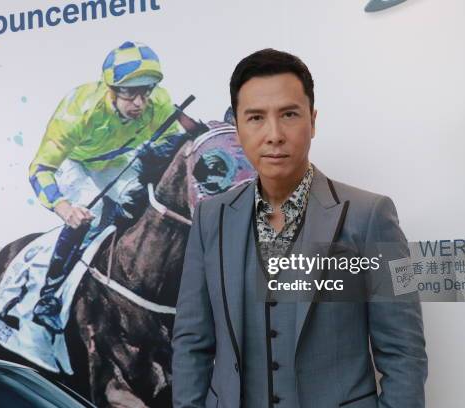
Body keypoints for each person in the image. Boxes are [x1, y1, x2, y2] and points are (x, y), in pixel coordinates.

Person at [172, 49, 427, 407]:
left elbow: (404, 352)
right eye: (256, 117)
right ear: (239, 127)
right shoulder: (210, 219)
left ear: (313, 120)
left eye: (289, 114)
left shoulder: (370, 217)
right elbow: (191, 341)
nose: (274, 134)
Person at [28, 41, 192, 333]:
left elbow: (175, 149)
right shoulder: (80, 111)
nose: (139, 103)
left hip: (116, 160)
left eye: (146, 91)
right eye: (129, 92)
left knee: (144, 204)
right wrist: (64, 208)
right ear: (111, 88)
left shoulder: (161, 104)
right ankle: (49, 296)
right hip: (75, 163)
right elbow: (40, 170)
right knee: (93, 213)